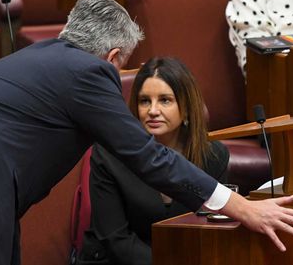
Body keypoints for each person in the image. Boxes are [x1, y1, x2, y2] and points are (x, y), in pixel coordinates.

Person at [0, 0, 293, 265]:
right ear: (114, 57)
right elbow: (146, 154)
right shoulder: (87, 72)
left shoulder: (30, 59)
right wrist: (237, 204)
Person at [77, 57, 230, 264]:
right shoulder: (108, 154)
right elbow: (116, 239)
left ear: (186, 106)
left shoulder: (213, 156)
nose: (153, 111)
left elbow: (210, 228)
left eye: (165, 100)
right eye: (144, 101)